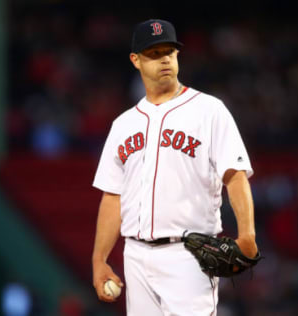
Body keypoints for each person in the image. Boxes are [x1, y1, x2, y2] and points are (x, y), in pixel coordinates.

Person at [91, 19, 258, 315]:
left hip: (190, 256)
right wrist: (99, 259)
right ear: (136, 60)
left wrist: (247, 234)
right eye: (154, 53)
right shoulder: (123, 125)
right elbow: (112, 196)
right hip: (136, 255)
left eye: (169, 51)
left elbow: (235, 176)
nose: (165, 58)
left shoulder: (209, 110)